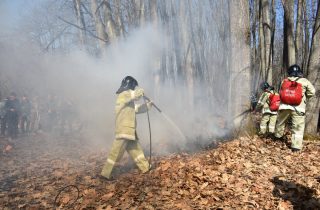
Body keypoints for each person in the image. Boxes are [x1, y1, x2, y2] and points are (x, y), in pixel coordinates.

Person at [100, 76, 153, 180]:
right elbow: (134, 94)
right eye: (133, 87)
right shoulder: (123, 95)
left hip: (129, 131)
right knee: (116, 153)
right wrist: (141, 91)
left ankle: (146, 168)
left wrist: (148, 105)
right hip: (124, 130)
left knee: (136, 150)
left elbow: (136, 109)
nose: (134, 89)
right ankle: (105, 174)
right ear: (130, 85)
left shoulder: (128, 100)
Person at [274, 64, 315, 152]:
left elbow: (280, 92)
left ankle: (277, 138)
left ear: (290, 72)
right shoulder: (304, 81)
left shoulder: (284, 80)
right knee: (298, 127)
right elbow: (312, 92)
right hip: (298, 108)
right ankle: (295, 147)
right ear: (299, 72)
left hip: (284, 106)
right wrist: (303, 96)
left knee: (280, 122)